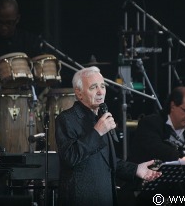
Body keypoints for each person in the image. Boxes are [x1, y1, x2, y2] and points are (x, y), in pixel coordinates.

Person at [55, 66, 162, 206]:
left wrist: (136, 169)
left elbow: (107, 161)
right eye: (93, 87)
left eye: (102, 86)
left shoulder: (100, 118)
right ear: (79, 93)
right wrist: (97, 132)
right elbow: (70, 157)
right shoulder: (67, 119)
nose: (100, 92)